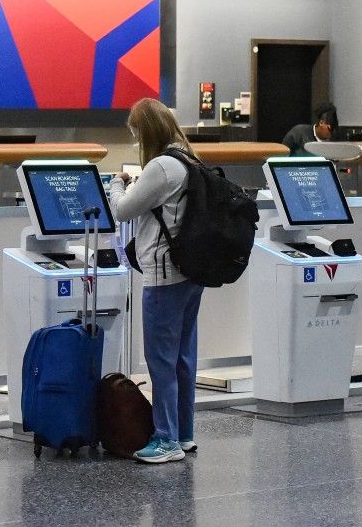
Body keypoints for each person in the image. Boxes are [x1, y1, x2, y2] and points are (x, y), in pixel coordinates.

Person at [109, 98, 204, 464]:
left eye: (136, 133)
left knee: (160, 359)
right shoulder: (189, 159)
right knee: (183, 356)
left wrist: (118, 183)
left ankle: (165, 440)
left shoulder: (162, 166)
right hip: (191, 272)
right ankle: (184, 432)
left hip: (164, 275)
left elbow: (122, 210)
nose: (135, 140)